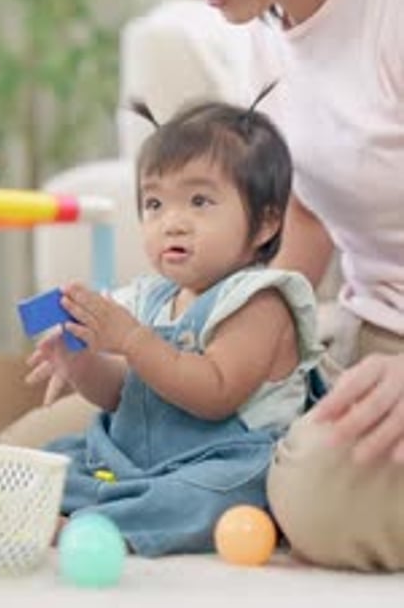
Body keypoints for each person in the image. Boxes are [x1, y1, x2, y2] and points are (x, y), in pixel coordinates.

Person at [99, 0, 404, 569]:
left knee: (314, 496)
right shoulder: (268, 25)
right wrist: (220, 332)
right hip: (365, 334)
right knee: (95, 428)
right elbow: (302, 210)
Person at [26, 97, 321, 557]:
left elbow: (215, 392)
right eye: (155, 203)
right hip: (141, 461)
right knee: (60, 455)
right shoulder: (153, 297)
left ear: (266, 222)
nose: (173, 223)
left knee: (203, 498)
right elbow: (125, 395)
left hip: (223, 462)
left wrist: (129, 338)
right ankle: (43, 502)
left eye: (200, 201)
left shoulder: (260, 301)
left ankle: (90, 523)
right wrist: (83, 359)